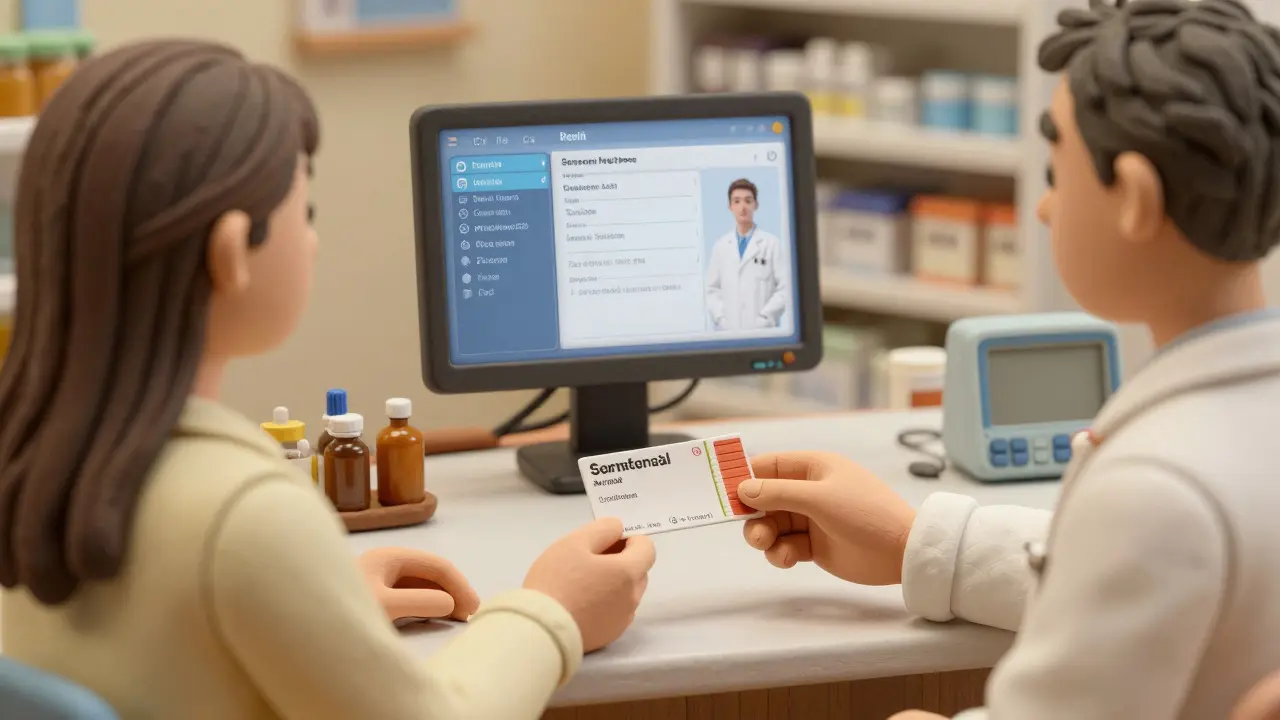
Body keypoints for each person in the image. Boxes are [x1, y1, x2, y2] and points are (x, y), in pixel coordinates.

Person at [0, 40, 654, 720]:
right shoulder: (243, 516)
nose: (312, 240)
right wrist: (551, 612)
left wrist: (313, 601)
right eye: (303, 213)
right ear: (232, 254)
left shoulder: (41, 457)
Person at [737, 2, 1280, 718]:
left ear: (1135, 202)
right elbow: (1158, 595)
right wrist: (916, 543)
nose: (1046, 209)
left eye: (1057, 175)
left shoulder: (1157, 487)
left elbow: (1152, 548)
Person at [705, 178, 788, 330]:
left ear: (755, 205)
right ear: (730, 206)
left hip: (763, 332)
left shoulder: (771, 244)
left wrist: (766, 319)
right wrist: (720, 318)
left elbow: (785, 288)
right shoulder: (720, 246)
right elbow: (711, 290)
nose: (742, 207)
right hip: (729, 331)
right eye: (736, 201)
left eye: (747, 201)